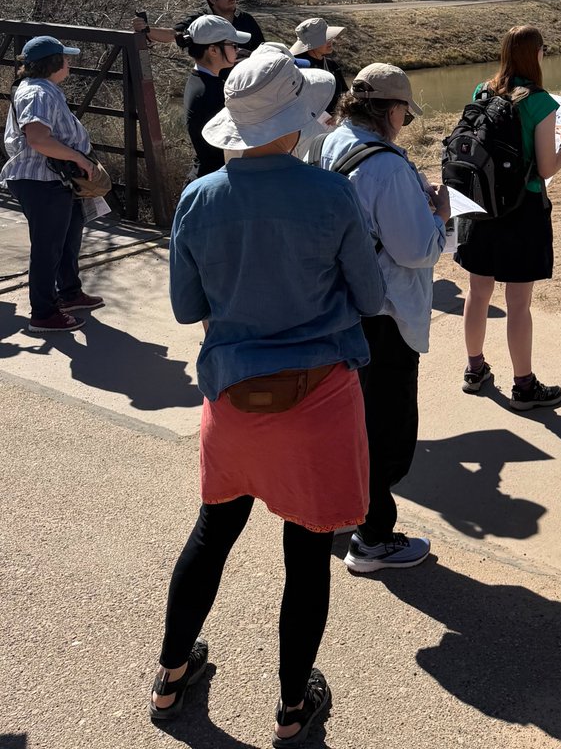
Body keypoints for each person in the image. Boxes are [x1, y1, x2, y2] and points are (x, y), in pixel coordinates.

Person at [151, 44, 384, 743]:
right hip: (317, 399)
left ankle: (168, 678)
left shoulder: (199, 197)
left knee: (212, 532)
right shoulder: (331, 193)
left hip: (233, 397)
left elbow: (186, 306)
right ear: (294, 119)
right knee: (307, 554)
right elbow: (370, 297)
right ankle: (290, 709)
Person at [319, 63, 449, 572]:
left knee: (348, 421)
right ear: (392, 110)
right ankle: (373, 538)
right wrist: (438, 212)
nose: (404, 123)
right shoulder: (387, 167)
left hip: (343, 304)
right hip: (386, 313)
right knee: (386, 432)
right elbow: (416, 249)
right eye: (404, 114)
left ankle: (338, 513)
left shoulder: (331, 142)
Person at [454, 25, 561, 410]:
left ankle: (474, 369)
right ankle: (524, 385)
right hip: (521, 210)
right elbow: (545, 166)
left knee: (478, 291)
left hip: (479, 205)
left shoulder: (481, 90)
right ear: (535, 54)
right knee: (518, 303)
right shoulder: (541, 102)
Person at [1, 36, 102, 334]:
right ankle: (43, 313)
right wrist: (79, 159)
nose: (69, 62)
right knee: (48, 247)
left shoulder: (43, 90)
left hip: (54, 178)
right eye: (65, 58)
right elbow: (38, 139)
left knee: (68, 237)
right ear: (54, 63)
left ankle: (69, 293)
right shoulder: (37, 94)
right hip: (40, 180)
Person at [181, 15, 251, 179]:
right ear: (213, 50)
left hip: (207, 176)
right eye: (233, 45)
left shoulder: (201, 80)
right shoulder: (209, 92)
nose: (238, 49)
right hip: (214, 181)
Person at [133, 0, 265, 53]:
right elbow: (173, 34)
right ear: (212, 0)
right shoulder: (202, 21)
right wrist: (146, 29)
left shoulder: (246, 19)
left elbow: (263, 49)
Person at [290, 18, 348, 115]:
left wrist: (341, 113)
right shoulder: (299, 67)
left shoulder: (331, 64)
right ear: (312, 43)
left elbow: (344, 93)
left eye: (329, 37)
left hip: (334, 120)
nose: (330, 41)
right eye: (325, 38)